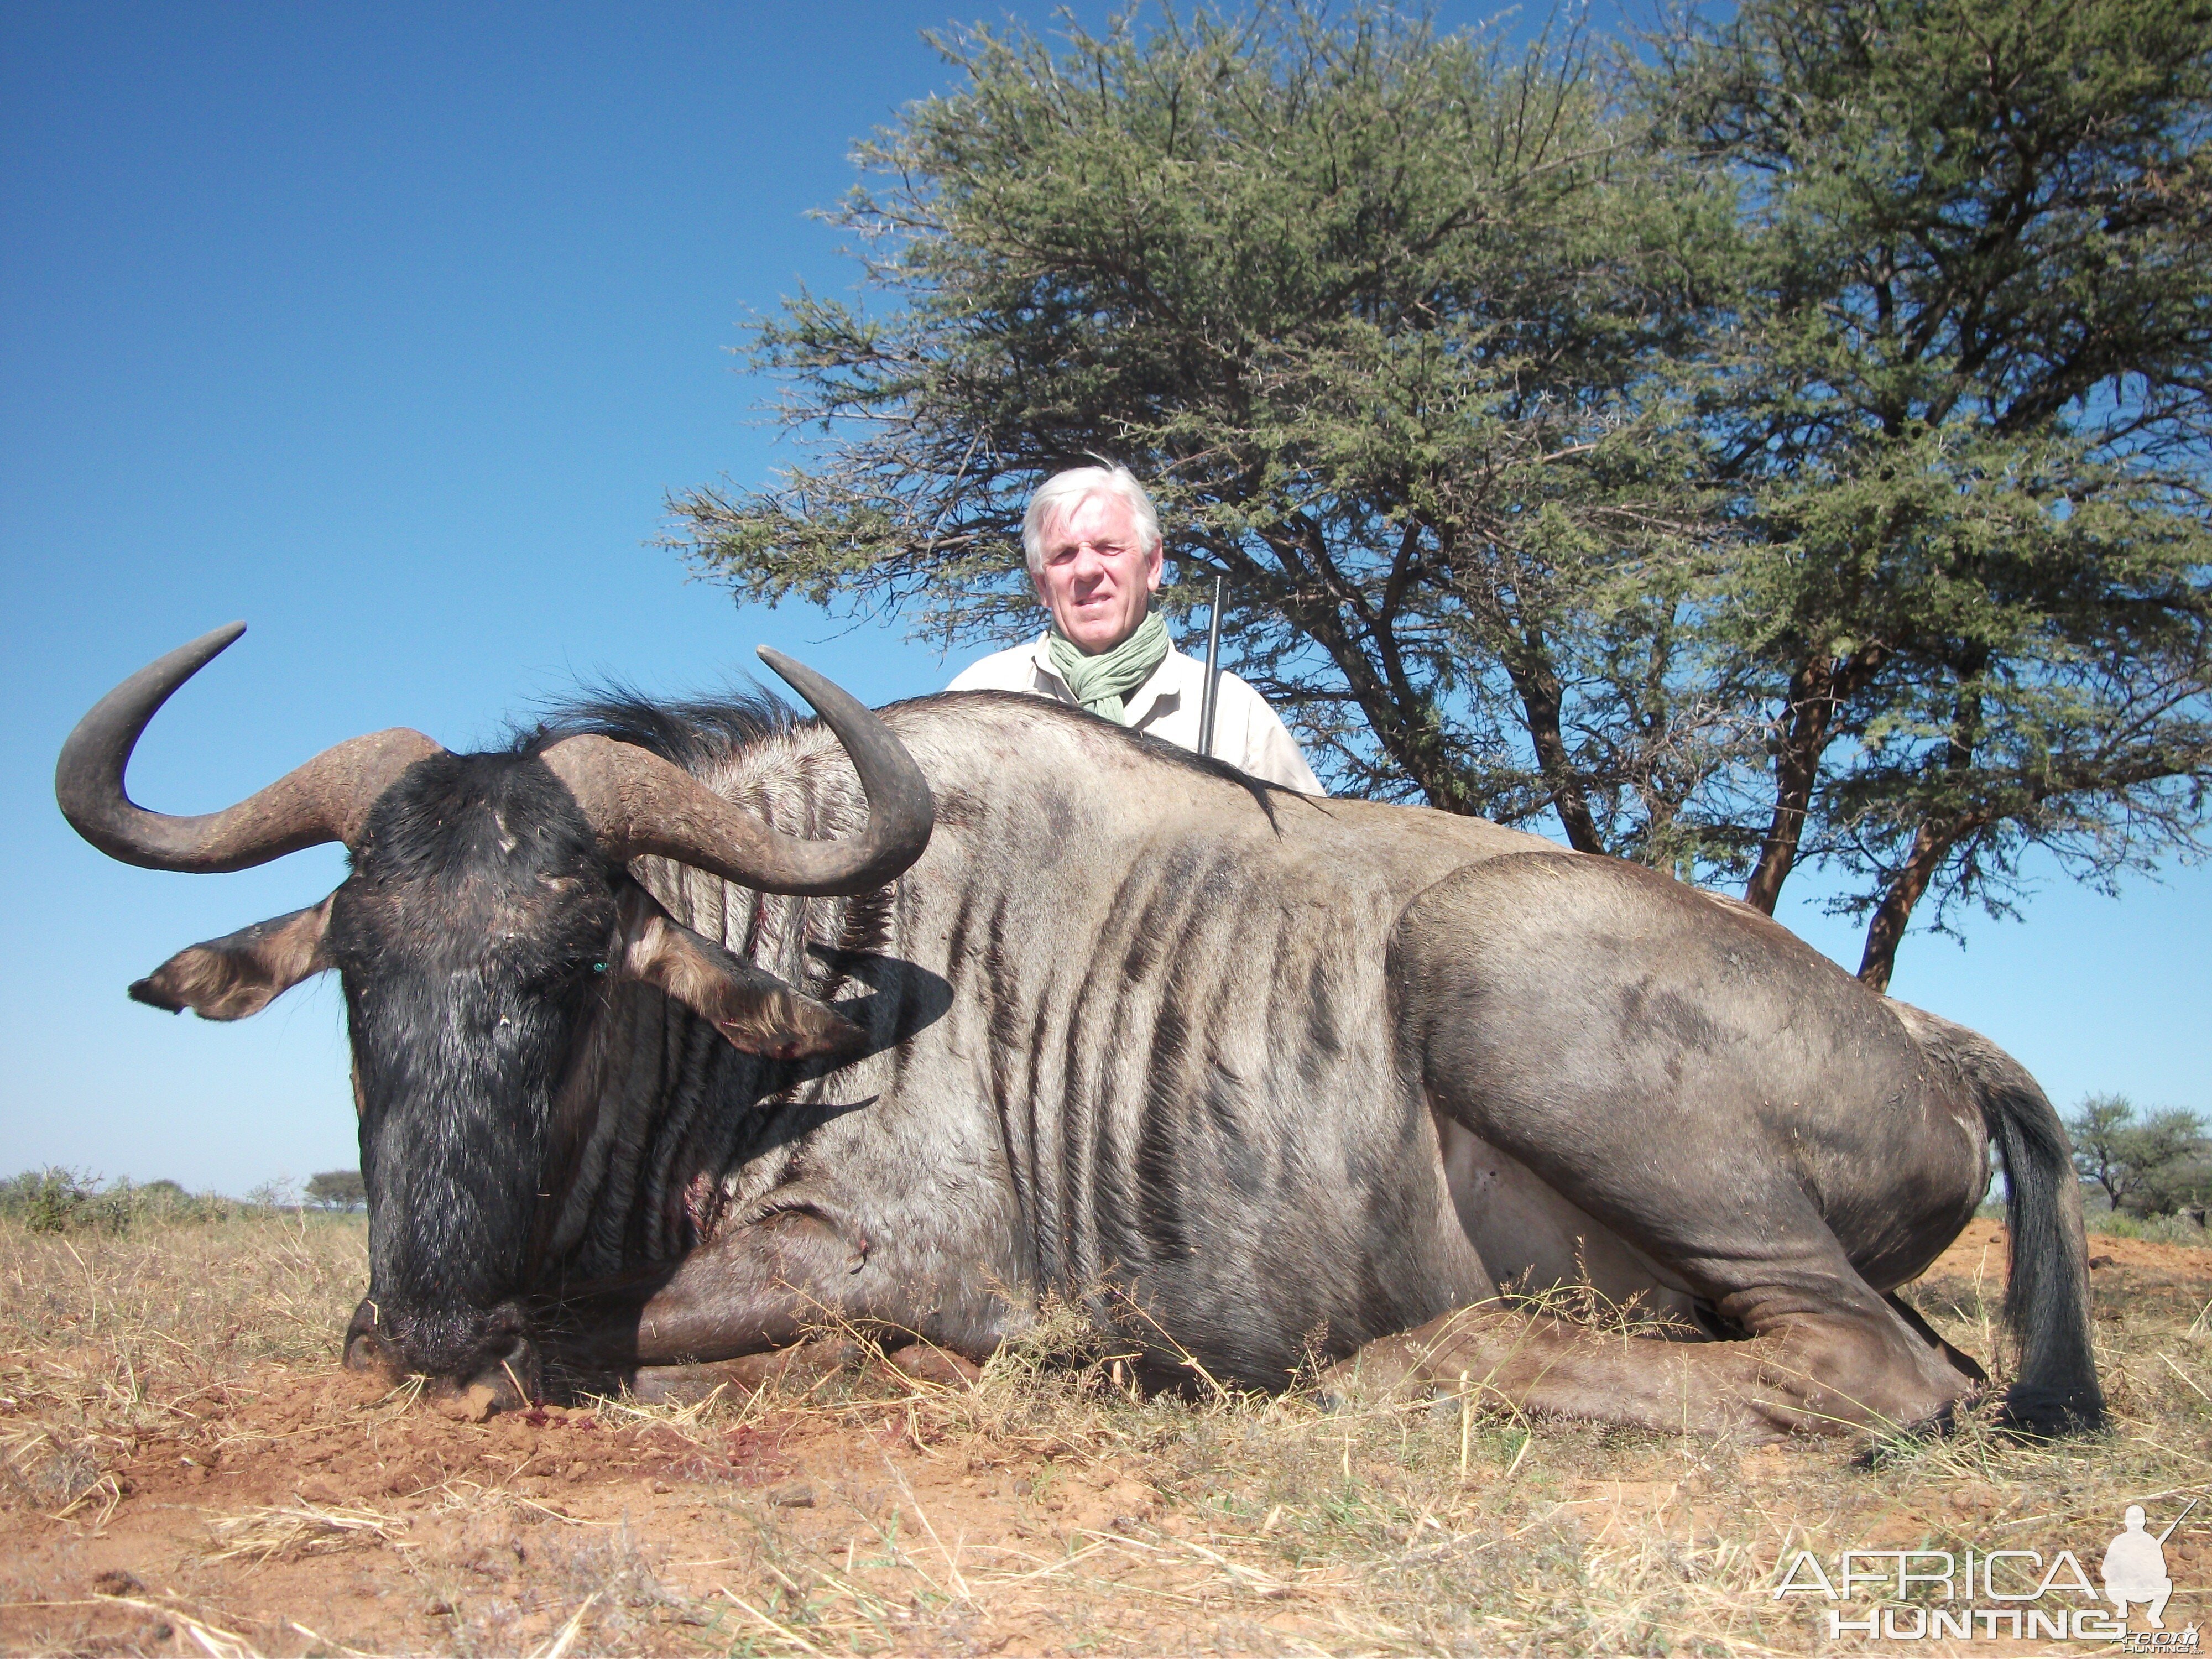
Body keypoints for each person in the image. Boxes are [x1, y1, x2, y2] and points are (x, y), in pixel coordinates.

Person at [947, 465, 1322, 793]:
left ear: (1153, 564)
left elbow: (1316, 860)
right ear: (1043, 585)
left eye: (1108, 547)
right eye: (1064, 555)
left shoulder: (1235, 713)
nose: (1087, 570)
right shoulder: (976, 700)